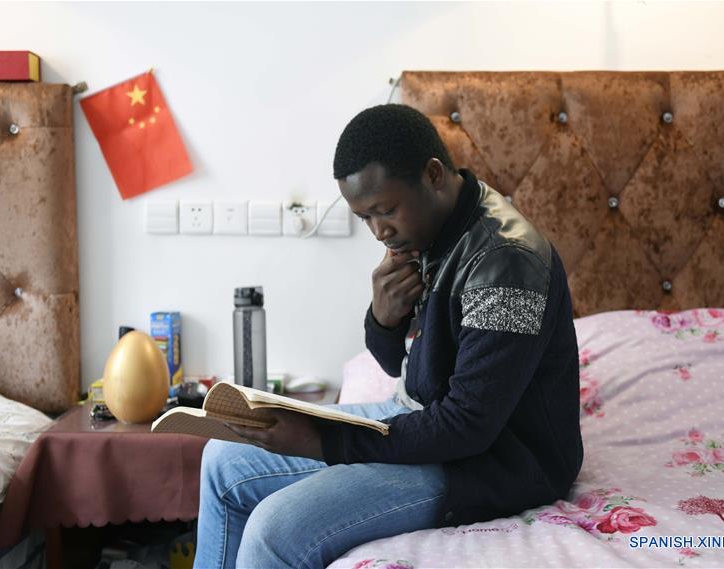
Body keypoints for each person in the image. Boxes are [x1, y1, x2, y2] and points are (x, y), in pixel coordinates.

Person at [194, 104, 583, 568]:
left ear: (433, 175)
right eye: (365, 218)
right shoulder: (429, 230)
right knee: (224, 460)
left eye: (385, 211)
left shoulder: (506, 264)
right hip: (423, 418)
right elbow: (399, 367)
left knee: (275, 529)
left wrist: (323, 441)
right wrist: (383, 319)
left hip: (492, 463)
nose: (379, 232)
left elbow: (467, 428)